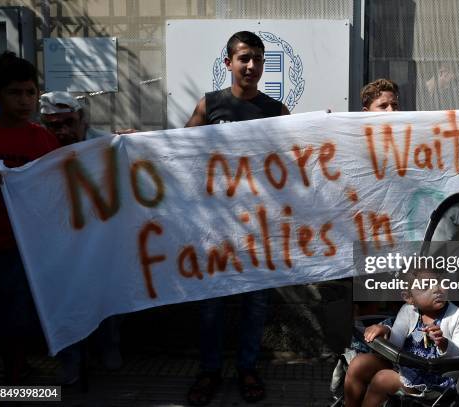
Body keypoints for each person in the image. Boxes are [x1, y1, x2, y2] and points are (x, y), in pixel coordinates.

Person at [184, 31, 289, 406]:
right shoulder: (210, 105)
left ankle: (248, 368)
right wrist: (136, 144)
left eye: (258, 59)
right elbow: (177, 152)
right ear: (228, 63)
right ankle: (209, 372)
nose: (251, 65)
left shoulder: (277, 111)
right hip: (214, 226)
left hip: (258, 228)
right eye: (244, 58)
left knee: (255, 305)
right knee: (211, 305)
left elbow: (296, 162)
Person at [39, 91, 124, 384]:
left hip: (97, 238)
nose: (62, 131)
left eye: (68, 123)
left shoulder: (102, 143)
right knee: (64, 300)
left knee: (104, 296)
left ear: (82, 120)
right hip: (59, 241)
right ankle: (70, 360)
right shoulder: (41, 147)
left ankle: (109, 348)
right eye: (54, 125)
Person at [0, 51, 60, 384]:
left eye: (30, 92)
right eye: (14, 93)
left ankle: (14, 386)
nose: (24, 100)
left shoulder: (43, 138)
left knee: (17, 322)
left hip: (24, 250)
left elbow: (59, 187)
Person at [343, 269, 459, 407]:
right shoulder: (408, 311)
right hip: (406, 366)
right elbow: (395, 343)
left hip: (435, 380)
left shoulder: (458, 317)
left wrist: (444, 344)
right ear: (409, 298)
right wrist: (386, 330)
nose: (436, 289)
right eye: (425, 286)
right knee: (359, 364)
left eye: (440, 282)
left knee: (383, 379)